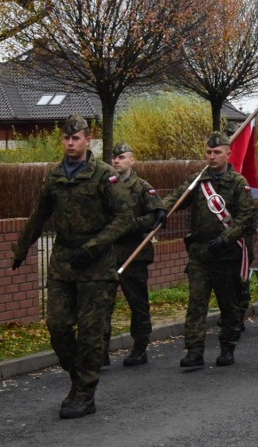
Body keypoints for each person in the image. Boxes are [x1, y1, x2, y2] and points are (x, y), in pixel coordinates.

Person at [11, 114, 134, 419]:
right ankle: (78, 378)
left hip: (96, 265)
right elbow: (39, 215)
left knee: (91, 333)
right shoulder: (54, 176)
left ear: (87, 140)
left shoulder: (104, 175)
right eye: (66, 138)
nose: (69, 143)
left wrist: (93, 247)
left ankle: (85, 392)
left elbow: (125, 217)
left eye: (75, 138)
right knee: (58, 326)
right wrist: (21, 247)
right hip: (63, 264)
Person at [163, 131, 254, 369]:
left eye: (217, 152)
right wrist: (161, 211)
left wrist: (226, 238)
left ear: (228, 154)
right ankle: (194, 351)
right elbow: (176, 198)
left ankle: (227, 346)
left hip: (226, 254)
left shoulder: (238, 183)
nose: (212, 157)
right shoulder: (198, 180)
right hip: (200, 254)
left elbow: (246, 218)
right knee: (196, 304)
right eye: (209, 152)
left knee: (228, 304)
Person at [105, 143, 166, 367]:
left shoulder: (142, 187)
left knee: (137, 304)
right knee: (102, 303)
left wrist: (130, 225)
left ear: (132, 160)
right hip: (108, 254)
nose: (116, 161)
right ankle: (100, 350)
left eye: (121, 157)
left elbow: (155, 217)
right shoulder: (106, 185)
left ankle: (140, 347)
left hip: (133, 254)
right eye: (114, 158)